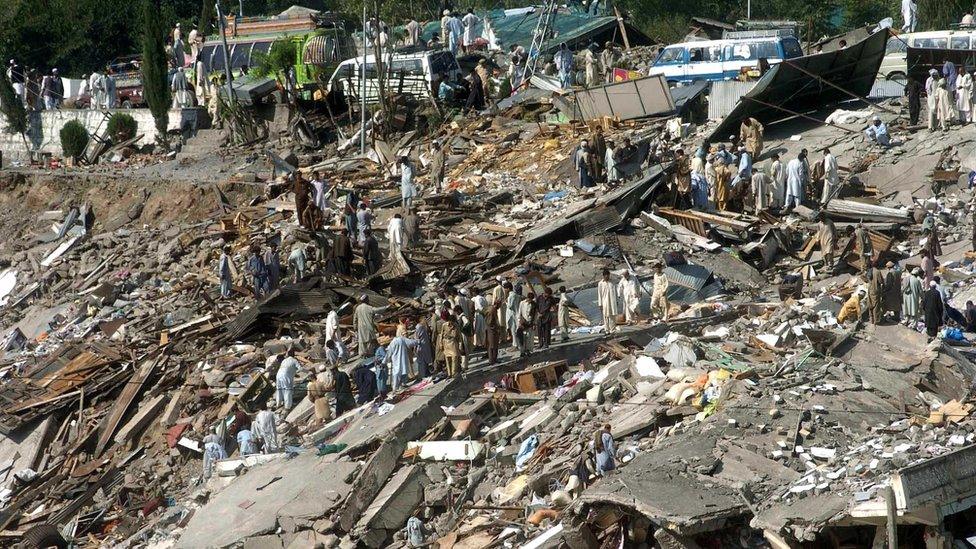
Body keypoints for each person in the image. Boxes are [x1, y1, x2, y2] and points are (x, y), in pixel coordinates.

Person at [437, 311, 462, 377]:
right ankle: (449, 373)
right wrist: (440, 344)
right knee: (448, 359)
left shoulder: (456, 326)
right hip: (446, 343)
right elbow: (441, 335)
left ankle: (454, 372)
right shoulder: (444, 325)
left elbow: (459, 336)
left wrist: (460, 345)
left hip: (453, 343)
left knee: (455, 358)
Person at [517, 291, 537, 356]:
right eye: (529, 299)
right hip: (523, 323)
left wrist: (534, 323)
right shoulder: (522, 303)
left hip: (530, 323)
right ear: (527, 298)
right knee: (522, 338)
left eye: (531, 300)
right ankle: (522, 352)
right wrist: (519, 321)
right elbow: (519, 313)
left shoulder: (534, 304)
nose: (529, 301)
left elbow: (535, 315)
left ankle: (527, 350)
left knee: (529, 338)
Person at [505, 282, 521, 347]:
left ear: (508, 288)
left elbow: (510, 306)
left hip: (512, 315)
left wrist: (506, 302)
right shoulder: (515, 295)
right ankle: (515, 344)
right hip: (515, 314)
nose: (505, 290)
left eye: (505, 288)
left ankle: (515, 345)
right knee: (513, 330)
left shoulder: (511, 296)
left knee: (513, 330)